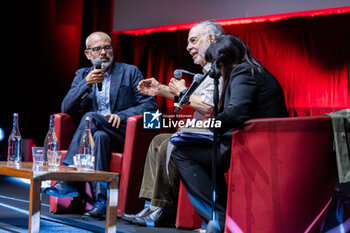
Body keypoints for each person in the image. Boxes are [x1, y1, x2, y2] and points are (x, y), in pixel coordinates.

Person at [172, 34, 289, 232]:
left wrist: (206, 127)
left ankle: (219, 217)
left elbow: (237, 112)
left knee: (182, 154)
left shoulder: (242, 71)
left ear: (222, 61)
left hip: (253, 148)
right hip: (257, 143)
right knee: (199, 151)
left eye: (214, 64)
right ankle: (220, 216)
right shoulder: (254, 69)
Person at [43, 31, 158, 221]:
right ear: (88, 54)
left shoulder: (130, 72)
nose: (103, 52)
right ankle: (102, 202)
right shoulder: (82, 75)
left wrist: (120, 116)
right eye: (97, 49)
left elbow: (150, 106)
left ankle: (69, 177)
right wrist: (85, 85)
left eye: (107, 47)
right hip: (96, 135)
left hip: (123, 132)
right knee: (99, 137)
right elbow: (66, 108)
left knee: (91, 118)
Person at [121, 20, 224, 227]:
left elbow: (209, 107)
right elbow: (190, 97)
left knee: (170, 143)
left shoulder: (220, 70)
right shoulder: (206, 72)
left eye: (193, 41)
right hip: (199, 133)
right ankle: (151, 205)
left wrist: (182, 92)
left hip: (213, 136)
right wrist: (159, 89)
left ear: (211, 39)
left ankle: (163, 209)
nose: (188, 47)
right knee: (159, 140)